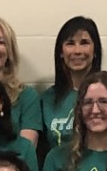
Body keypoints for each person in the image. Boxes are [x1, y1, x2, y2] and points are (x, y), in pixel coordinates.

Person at [41, 14, 102, 150]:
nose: (77, 51)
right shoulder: (47, 99)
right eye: (70, 43)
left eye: (84, 43)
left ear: (95, 50)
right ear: (61, 52)